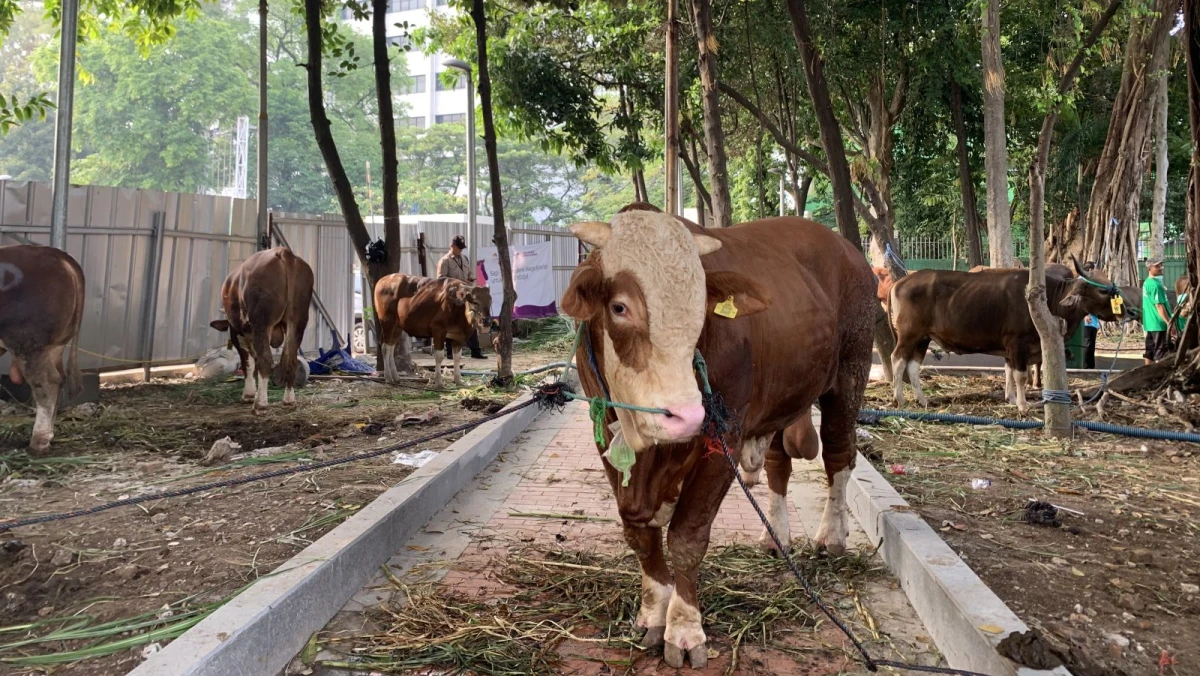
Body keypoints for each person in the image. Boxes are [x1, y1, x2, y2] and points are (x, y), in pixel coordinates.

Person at [436, 235, 486, 360]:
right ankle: (450, 352)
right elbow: (441, 280)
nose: (460, 250)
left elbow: (469, 273)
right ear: (452, 246)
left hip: (466, 295)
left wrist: (469, 279)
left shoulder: (464, 258)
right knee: (451, 323)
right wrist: (458, 281)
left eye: (462, 248)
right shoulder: (445, 261)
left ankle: (476, 351)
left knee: (471, 320)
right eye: (458, 247)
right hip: (452, 297)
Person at [1142, 259, 1171, 364]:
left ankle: (1146, 371)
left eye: (1160, 265)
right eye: (1157, 266)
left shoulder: (1147, 282)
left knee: (1150, 349)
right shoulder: (1155, 285)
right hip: (1158, 323)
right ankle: (1160, 375)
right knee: (1160, 350)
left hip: (1149, 322)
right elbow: (1159, 305)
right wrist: (1168, 322)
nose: (1160, 268)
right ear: (1149, 268)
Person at [1082, 262, 1099, 369]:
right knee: (1087, 342)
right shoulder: (1083, 281)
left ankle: (1091, 365)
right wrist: (1085, 314)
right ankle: (1086, 365)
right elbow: (1081, 299)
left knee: (1091, 342)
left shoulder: (1091, 282)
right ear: (1090, 270)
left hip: (1094, 318)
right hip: (1087, 319)